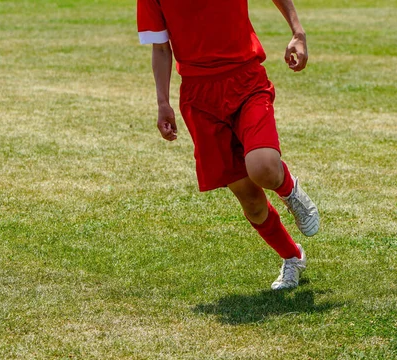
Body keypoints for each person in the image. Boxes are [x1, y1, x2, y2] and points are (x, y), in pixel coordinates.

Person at [137, 0, 320, 290]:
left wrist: (298, 32)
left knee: (263, 168)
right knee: (250, 200)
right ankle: (292, 257)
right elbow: (160, 48)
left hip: (245, 79)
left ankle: (289, 191)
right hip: (199, 99)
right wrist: (162, 102)